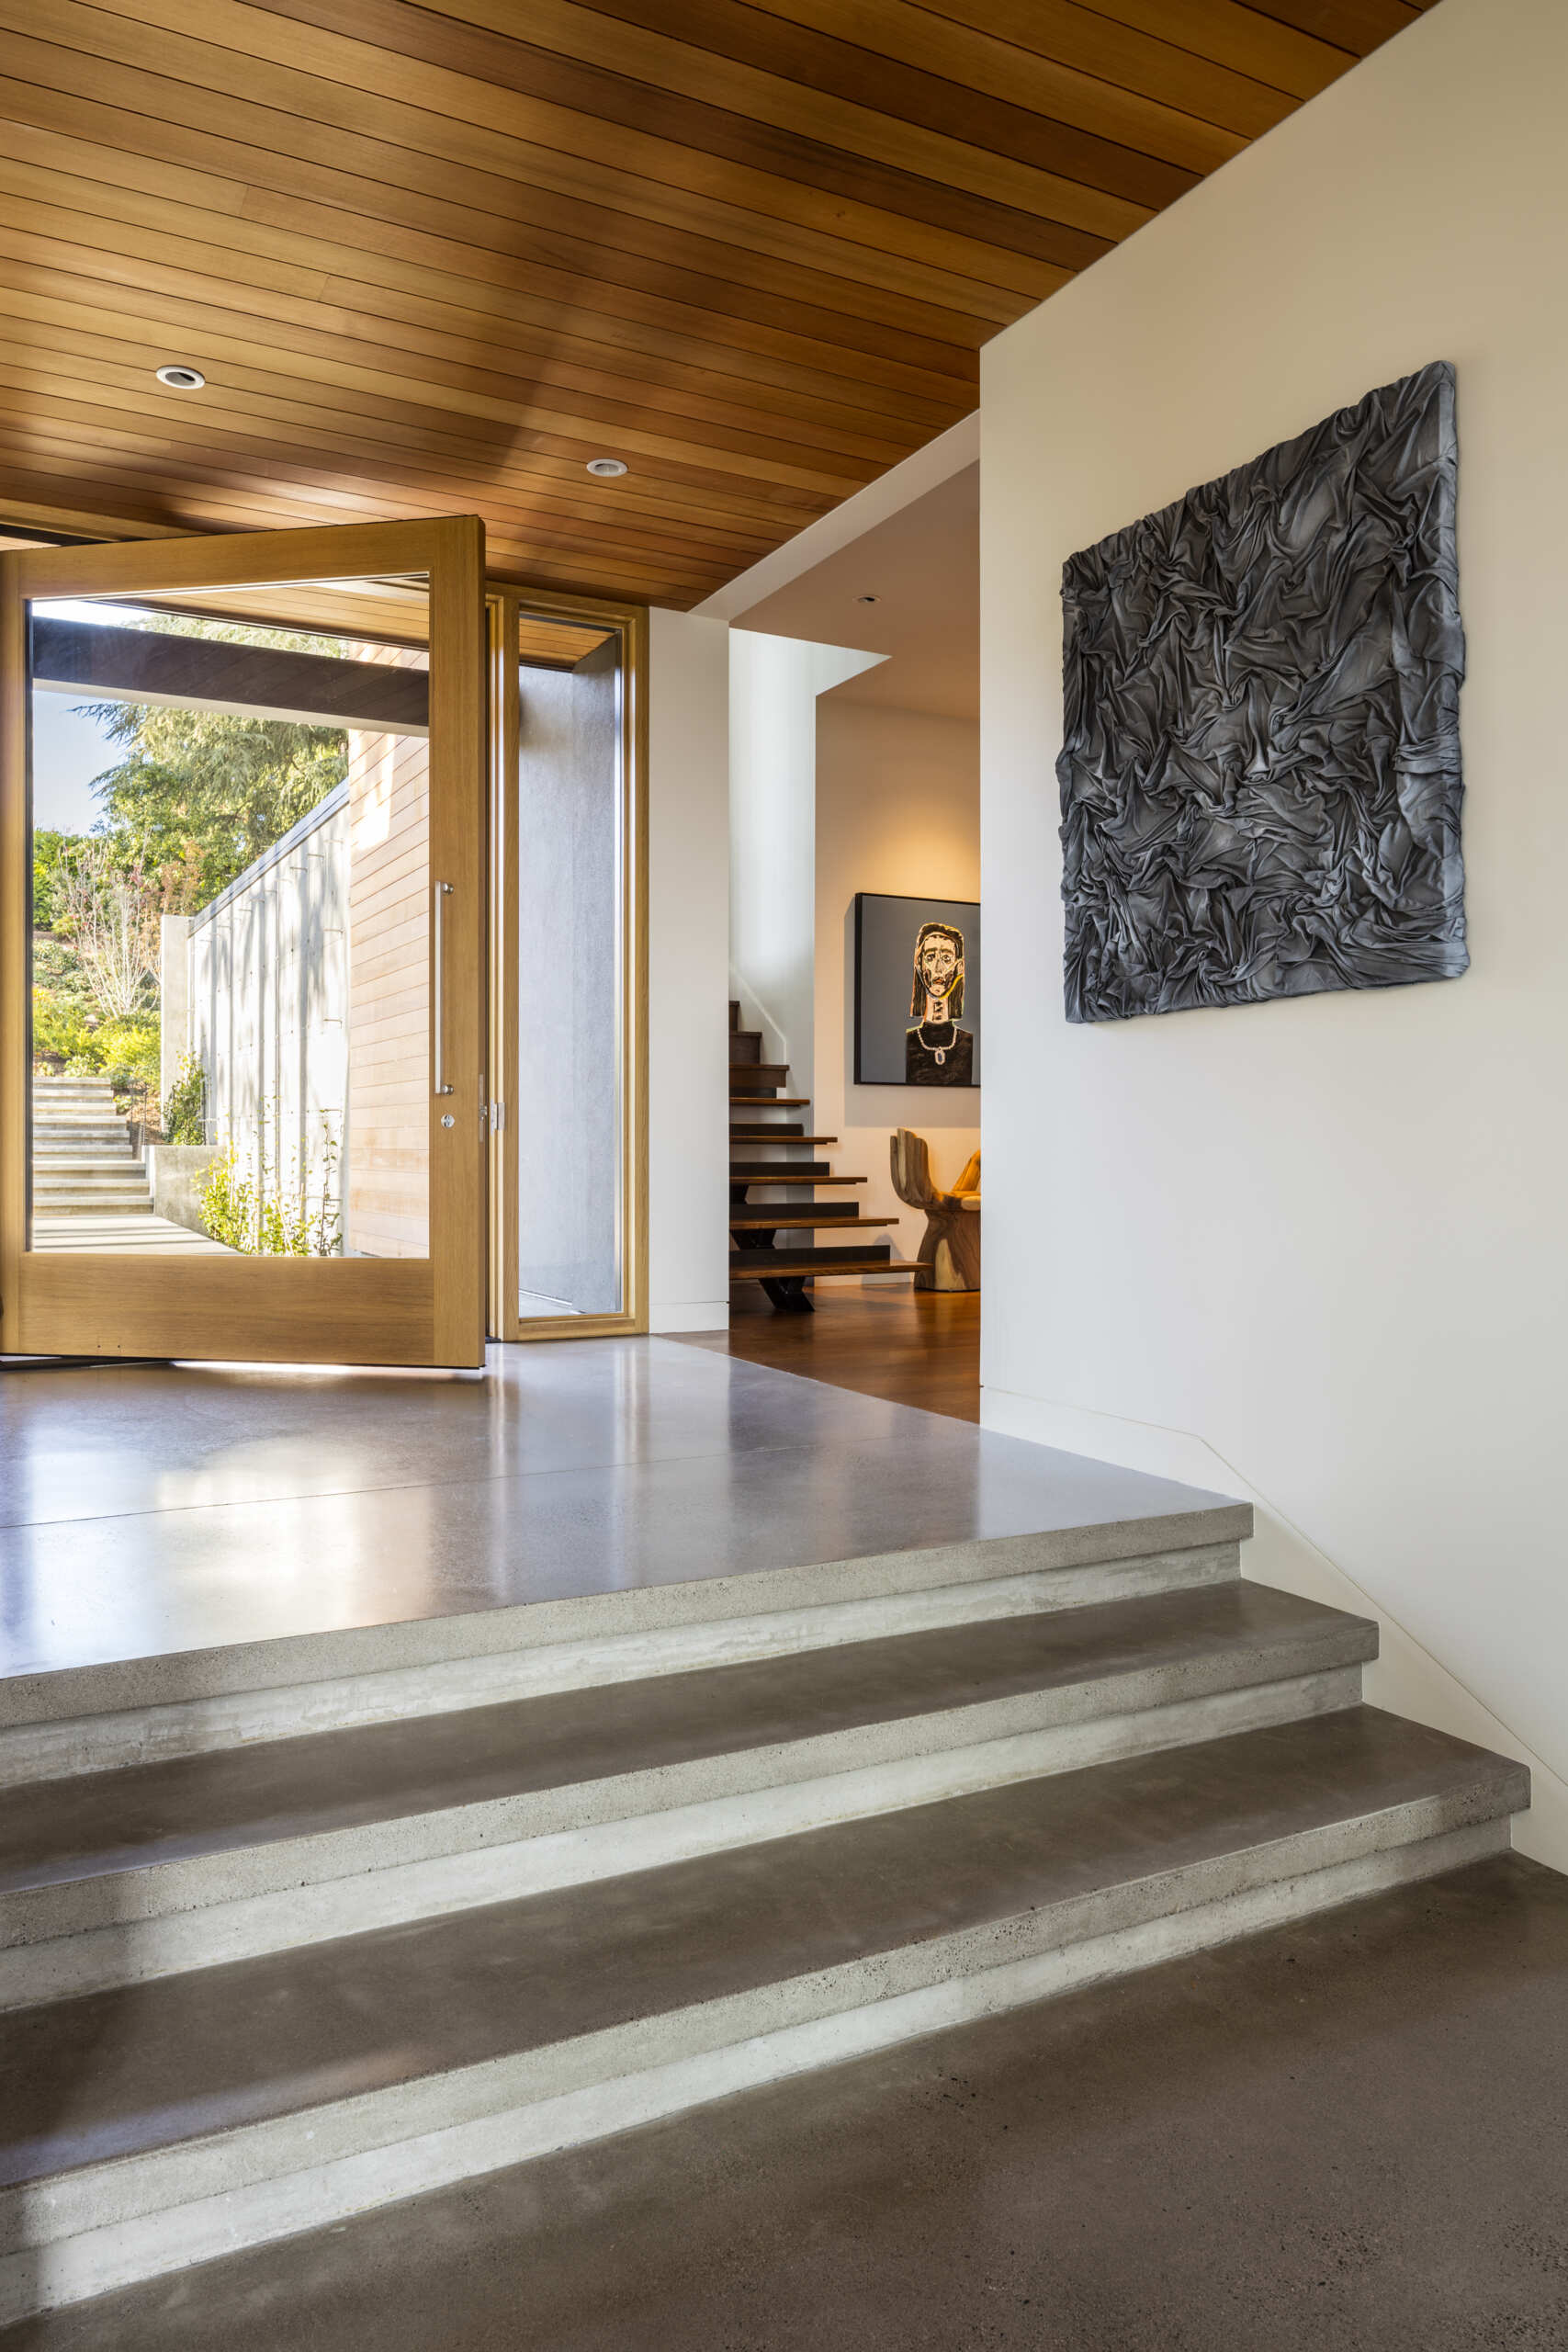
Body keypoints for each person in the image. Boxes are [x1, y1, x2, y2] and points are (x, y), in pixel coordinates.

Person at [905, 920, 974, 1085]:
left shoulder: (969, 1043)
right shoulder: (907, 1042)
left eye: (946, 958)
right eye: (930, 957)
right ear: (919, 964)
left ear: (959, 966)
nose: (938, 967)